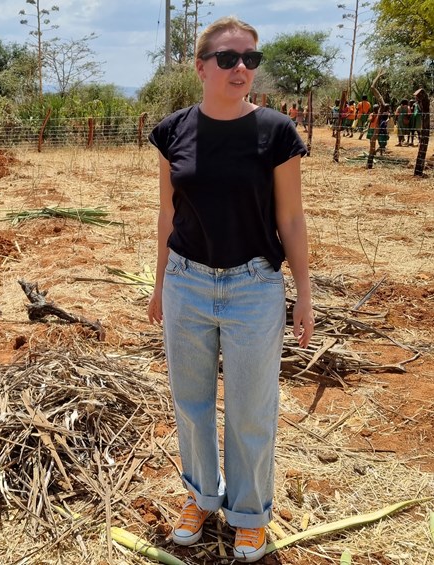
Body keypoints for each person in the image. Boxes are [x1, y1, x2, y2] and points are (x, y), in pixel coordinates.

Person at [147, 15, 314, 564]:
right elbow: (168, 215)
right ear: (201, 67)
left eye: (250, 59)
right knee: (192, 404)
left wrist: (304, 295)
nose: (241, 68)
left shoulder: (276, 132)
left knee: (250, 409)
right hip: (187, 283)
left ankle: (248, 514)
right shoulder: (175, 132)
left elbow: (291, 219)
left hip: (253, 286)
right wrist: (159, 287)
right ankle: (201, 497)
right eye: (228, 58)